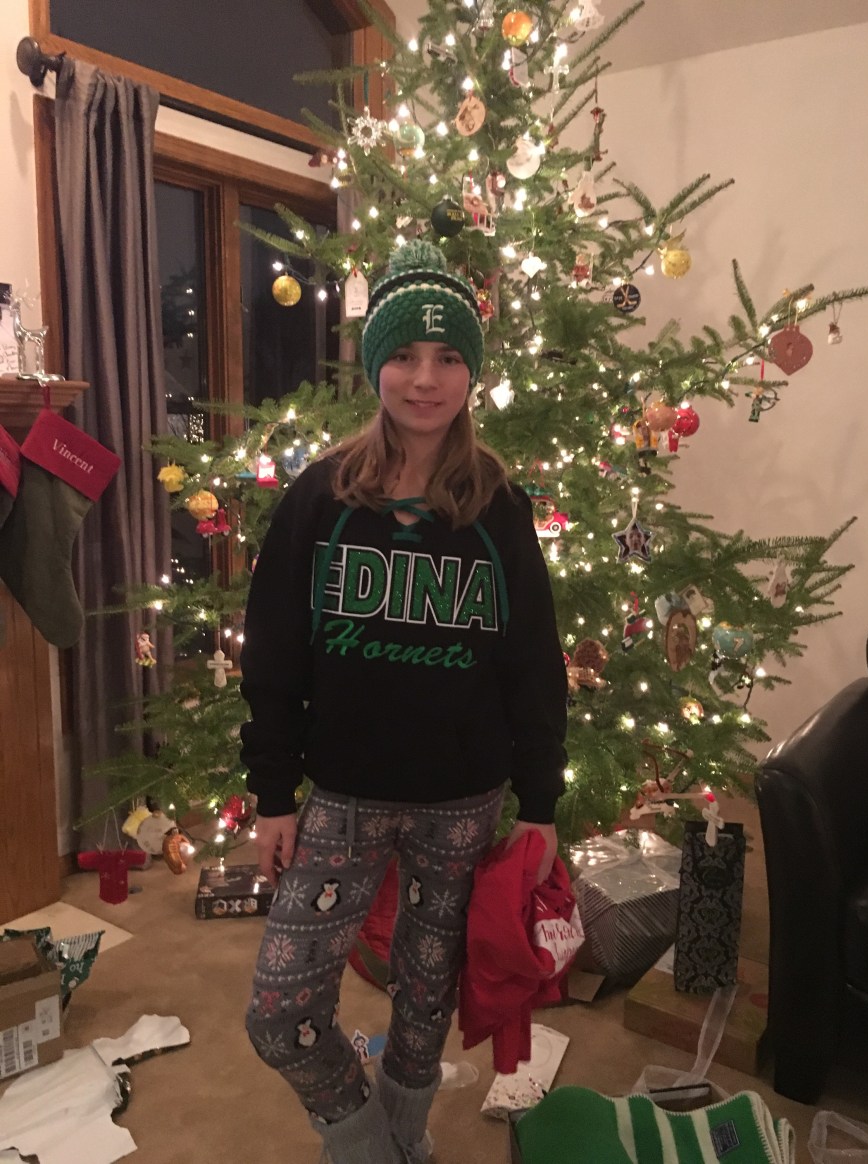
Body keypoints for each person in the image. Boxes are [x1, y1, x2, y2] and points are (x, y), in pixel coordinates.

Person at [239, 239, 567, 1164]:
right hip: (342, 795)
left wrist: (540, 801)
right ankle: (372, 1149)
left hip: (462, 800)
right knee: (280, 1008)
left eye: (449, 357)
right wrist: (272, 793)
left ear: (472, 371)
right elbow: (275, 653)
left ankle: (406, 1141)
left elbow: (533, 663)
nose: (425, 379)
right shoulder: (321, 497)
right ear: (375, 363)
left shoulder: (498, 505)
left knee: (424, 1003)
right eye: (406, 356)